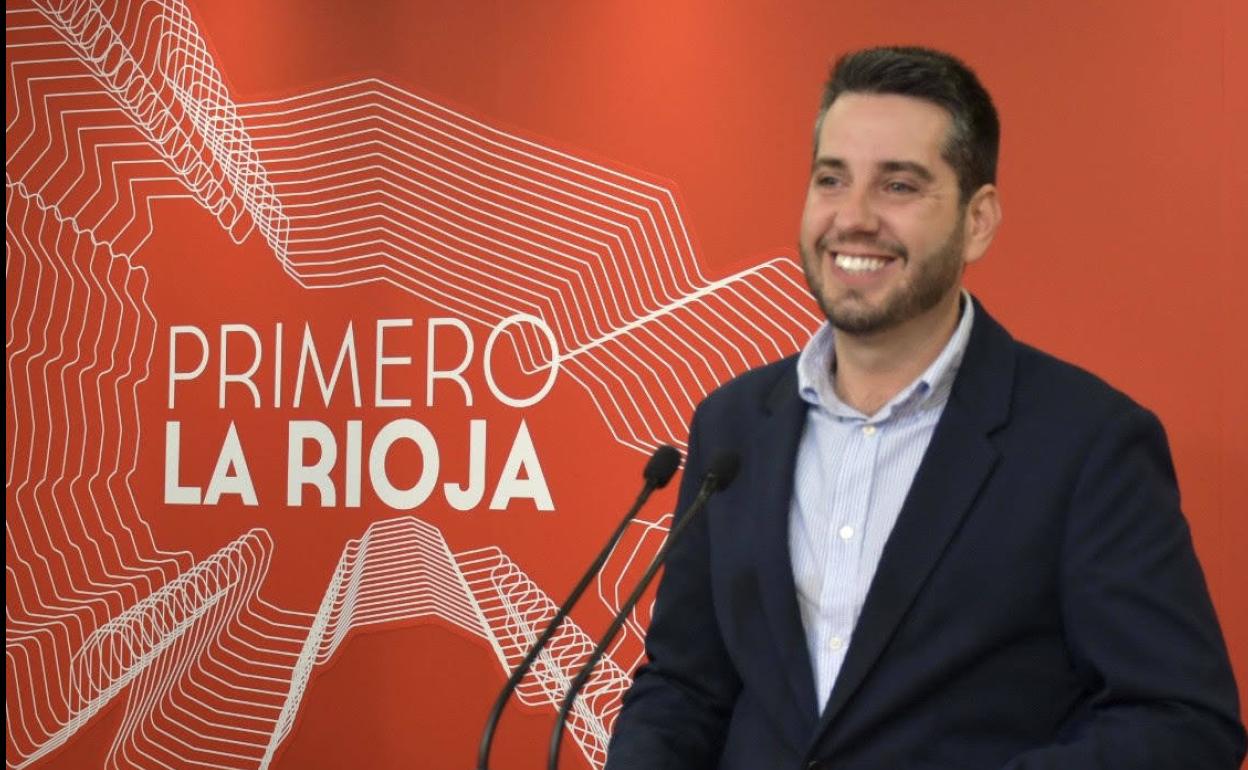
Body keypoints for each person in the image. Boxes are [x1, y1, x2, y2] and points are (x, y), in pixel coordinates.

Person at [604, 47, 1245, 770]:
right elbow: (684, 688)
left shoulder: (1087, 442)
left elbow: (1183, 724)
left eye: (899, 186)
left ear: (978, 221)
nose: (853, 218)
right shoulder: (732, 425)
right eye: (831, 179)